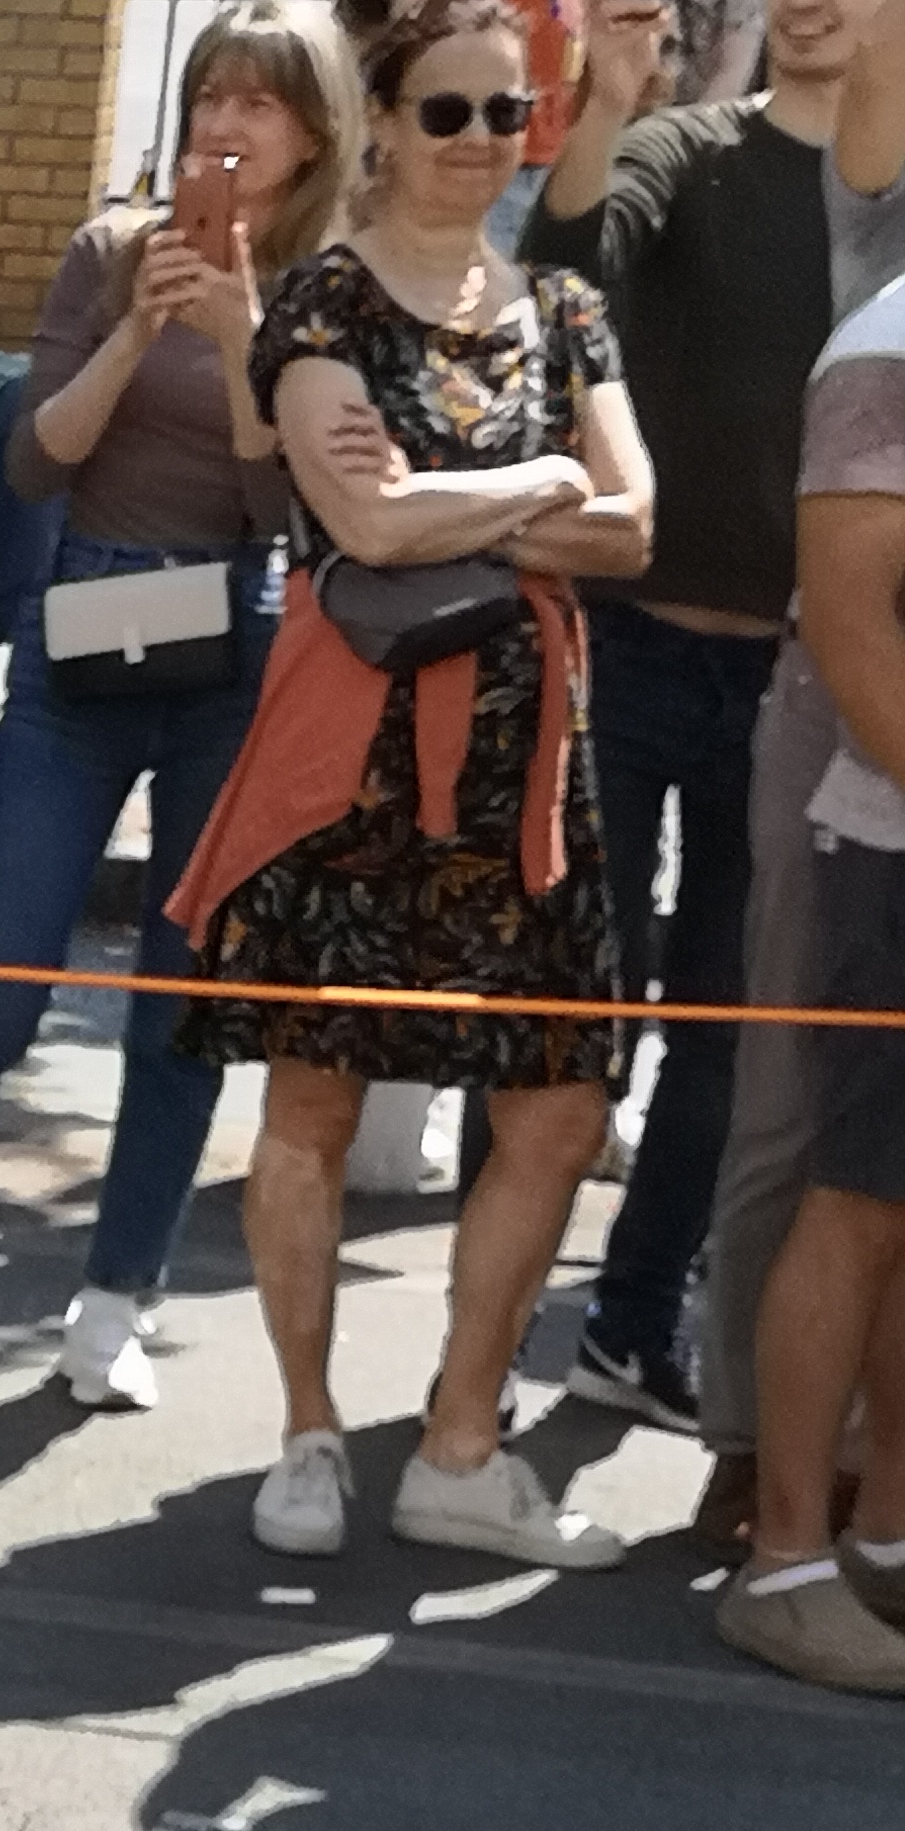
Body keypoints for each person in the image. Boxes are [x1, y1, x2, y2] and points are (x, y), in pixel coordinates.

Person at [0, 1, 360, 1413]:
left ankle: (116, 1303)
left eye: (260, 104)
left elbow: (277, 503)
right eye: (213, 96)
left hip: (229, 651)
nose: (227, 126)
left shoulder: (328, 289)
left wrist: (246, 335)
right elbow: (40, 466)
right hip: (87, 638)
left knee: (180, 1002)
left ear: (311, 138)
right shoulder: (110, 249)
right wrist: (138, 324)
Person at [170, 0, 661, 1567]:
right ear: (379, 123)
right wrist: (534, 485)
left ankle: (460, 1437)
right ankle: (310, 1429)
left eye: (505, 116)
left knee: (562, 1101)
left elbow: (641, 526)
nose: (476, 145)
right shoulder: (318, 301)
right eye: (444, 113)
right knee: (312, 1099)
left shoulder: (567, 309)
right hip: (361, 764)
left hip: (534, 768)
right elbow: (367, 531)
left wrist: (470, 510)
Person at [523, 0, 894, 1439]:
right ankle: (476, 1380)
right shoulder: (688, 148)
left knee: (731, 1041)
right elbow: (562, 275)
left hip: (803, 680)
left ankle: (629, 1325)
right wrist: (604, 105)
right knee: (574, 1024)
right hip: (624, 651)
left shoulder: (891, 204)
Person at [718, 258, 905, 1686]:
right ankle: (783, 1558)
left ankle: (889, 1537)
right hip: (890, 847)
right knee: (852, 1200)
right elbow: (856, 636)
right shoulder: (887, 350)